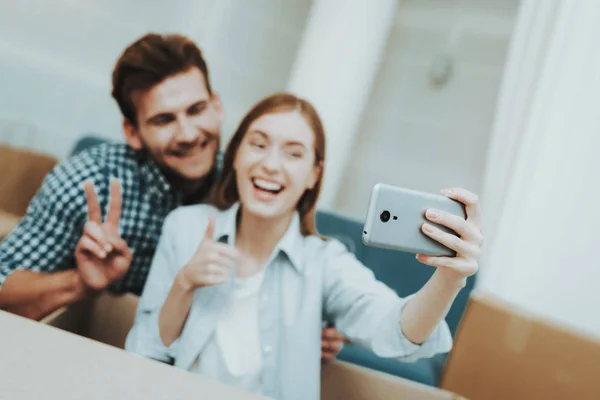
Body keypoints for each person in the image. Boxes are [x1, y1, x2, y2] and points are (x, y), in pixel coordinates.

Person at [0, 33, 344, 361]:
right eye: (164, 120)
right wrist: (82, 282)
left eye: (196, 110)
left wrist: (303, 331)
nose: (189, 134)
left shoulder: (253, 186)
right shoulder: (88, 184)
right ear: (132, 132)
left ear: (217, 106)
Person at [124, 93, 484, 400]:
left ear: (314, 174)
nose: (270, 165)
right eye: (258, 144)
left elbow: (395, 330)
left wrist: (449, 280)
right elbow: (142, 354)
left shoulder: (324, 263)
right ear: (235, 155)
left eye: (294, 154)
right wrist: (185, 283)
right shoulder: (186, 228)